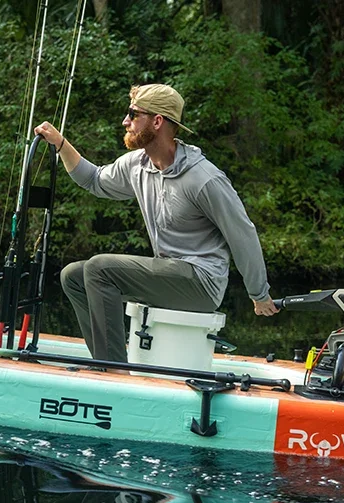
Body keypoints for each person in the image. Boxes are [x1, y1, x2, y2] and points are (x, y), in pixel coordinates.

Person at [33, 83, 277, 364]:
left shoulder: (204, 178)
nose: (125, 122)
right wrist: (61, 144)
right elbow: (95, 180)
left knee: (100, 268)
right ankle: (106, 364)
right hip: (167, 274)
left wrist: (259, 293)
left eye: (133, 114)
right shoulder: (138, 164)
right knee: (73, 276)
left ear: (157, 121)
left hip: (201, 284)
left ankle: (114, 372)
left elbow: (242, 234)